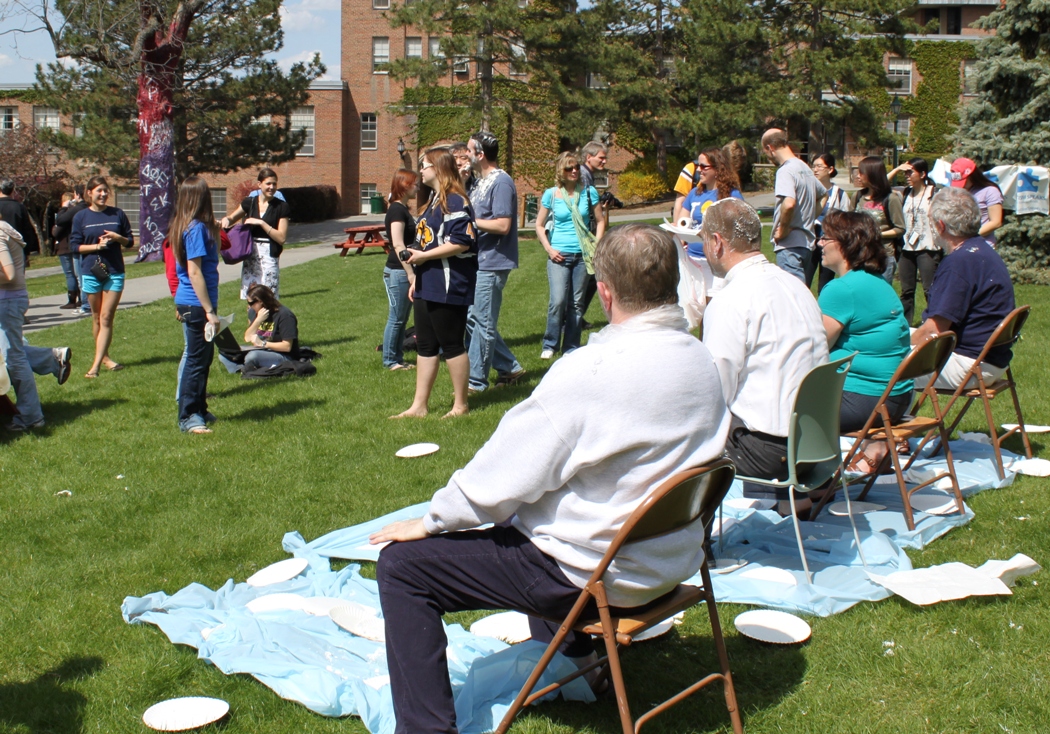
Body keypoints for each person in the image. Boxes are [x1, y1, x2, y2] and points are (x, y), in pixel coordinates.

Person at [369, 223, 730, 734]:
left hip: (597, 576)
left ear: (603, 291)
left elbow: (502, 476)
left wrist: (432, 521)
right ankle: (585, 668)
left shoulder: (592, 370)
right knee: (542, 514)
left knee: (403, 567)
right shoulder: (701, 358)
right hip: (670, 561)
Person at [700, 198, 828, 512]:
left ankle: (693, 549)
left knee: (675, 431)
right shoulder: (797, 285)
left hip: (772, 453)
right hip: (817, 445)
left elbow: (715, 391)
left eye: (702, 240)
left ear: (717, 243)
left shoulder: (732, 300)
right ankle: (793, 506)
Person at [817, 210, 912, 473]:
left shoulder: (841, 289)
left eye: (825, 238)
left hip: (865, 401)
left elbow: (814, 348)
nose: (819, 244)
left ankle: (809, 485)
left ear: (846, 243)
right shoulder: (878, 283)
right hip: (897, 397)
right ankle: (874, 449)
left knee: (782, 410)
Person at [391, 148, 478, 419]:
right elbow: (427, 239)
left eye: (425, 165)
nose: (421, 171)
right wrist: (416, 276)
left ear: (439, 169)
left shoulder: (454, 200)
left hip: (450, 282)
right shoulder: (432, 201)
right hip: (428, 281)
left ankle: (460, 405)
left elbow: (462, 242)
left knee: (451, 343)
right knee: (425, 344)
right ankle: (419, 406)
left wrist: (424, 256)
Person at [912, 188, 1015, 390]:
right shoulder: (984, 250)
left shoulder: (958, 263)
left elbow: (935, 330)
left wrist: (892, 349)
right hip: (990, 359)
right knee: (895, 338)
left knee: (875, 367)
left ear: (941, 226)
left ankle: (886, 419)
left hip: (969, 364)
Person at [464, 131, 525, 392]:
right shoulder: (478, 182)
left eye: (468, 151)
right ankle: (510, 368)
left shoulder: (502, 183)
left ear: (480, 154)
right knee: (471, 317)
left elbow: (503, 224)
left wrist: (468, 223)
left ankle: (476, 382)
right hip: (478, 260)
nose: (465, 155)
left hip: (494, 261)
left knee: (484, 321)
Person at [0, 214, 71, 432]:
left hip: (6, 301)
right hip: (11, 300)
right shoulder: (5, 229)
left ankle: (31, 417)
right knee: (7, 353)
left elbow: (9, 273)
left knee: (13, 358)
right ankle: (50, 359)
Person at [535, 151, 605, 359]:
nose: (574, 171)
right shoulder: (551, 194)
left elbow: (600, 220)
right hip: (558, 254)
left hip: (582, 255)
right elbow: (538, 225)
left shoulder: (589, 192)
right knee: (557, 301)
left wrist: (597, 245)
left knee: (576, 303)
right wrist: (549, 248)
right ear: (561, 171)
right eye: (569, 168)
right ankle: (550, 343)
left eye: (576, 167)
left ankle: (571, 346)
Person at [167, 177, 222, 434]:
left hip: (193, 302)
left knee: (203, 357)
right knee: (197, 360)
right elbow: (195, 272)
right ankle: (189, 416)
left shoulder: (186, 226)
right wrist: (209, 311)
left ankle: (199, 408)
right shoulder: (195, 228)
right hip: (197, 303)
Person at [70, 176, 134, 378]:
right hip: (91, 271)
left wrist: (118, 238)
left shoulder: (117, 214)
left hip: (114, 271)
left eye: (106, 190)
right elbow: (74, 246)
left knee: (106, 316)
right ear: (89, 192)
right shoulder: (81, 217)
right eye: (99, 190)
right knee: (96, 317)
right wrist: (97, 247)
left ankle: (95, 366)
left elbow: (130, 242)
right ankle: (104, 356)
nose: (103, 194)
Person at [761, 129, 827, 283]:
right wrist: (808, 219)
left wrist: (783, 230)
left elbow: (789, 203)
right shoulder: (804, 167)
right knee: (802, 294)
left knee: (793, 298)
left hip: (789, 247)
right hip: (806, 245)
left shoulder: (785, 170)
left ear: (770, 148)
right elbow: (824, 195)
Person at [221, 167, 290, 299]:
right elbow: (232, 218)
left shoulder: (281, 207)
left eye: (274, 184)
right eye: (268, 183)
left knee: (269, 298)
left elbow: (281, 238)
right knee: (251, 298)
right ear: (259, 184)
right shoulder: (250, 202)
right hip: (250, 254)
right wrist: (226, 220)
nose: (272, 187)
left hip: (270, 255)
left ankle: (268, 320)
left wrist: (262, 223)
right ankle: (252, 320)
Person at [888, 157, 941, 325]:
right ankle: (906, 324)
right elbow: (879, 185)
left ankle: (934, 322)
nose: (907, 176)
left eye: (910, 172)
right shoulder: (903, 193)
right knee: (906, 290)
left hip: (928, 247)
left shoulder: (935, 193)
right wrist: (896, 170)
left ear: (923, 174)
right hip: (907, 249)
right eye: (905, 173)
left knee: (929, 289)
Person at [382, 169, 419, 372]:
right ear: (404, 185)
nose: (418, 187)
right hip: (398, 271)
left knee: (403, 318)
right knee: (396, 318)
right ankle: (390, 360)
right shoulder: (396, 210)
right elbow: (398, 244)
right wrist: (410, 273)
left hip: (403, 271)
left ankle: (397, 358)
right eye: (415, 184)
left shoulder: (402, 209)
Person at [218, 283, 301, 374]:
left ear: (260, 301)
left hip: (283, 355)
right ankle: (243, 369)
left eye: (251, 303)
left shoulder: (284, 315)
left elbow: (287, 347)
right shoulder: (253, 312)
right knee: (224, 355)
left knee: (252, 356)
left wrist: (263, 344)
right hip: (261, 350)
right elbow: (247, 337)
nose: (249, 306)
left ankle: (249, 367)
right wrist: (258, 320)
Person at [680, 148, 744, 264]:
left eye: (703, 166)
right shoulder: (694, 193)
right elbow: (682, 223)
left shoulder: (732, 195)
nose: (699, 170)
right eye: (698, 166)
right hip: (692, 258)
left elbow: (741, 227)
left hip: (720, 260)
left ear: (718, 169)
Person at [850, 156, 906, 284]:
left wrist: (877, 234)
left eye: (861, 173)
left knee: (880, 294)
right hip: (859, 254)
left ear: (872, 174)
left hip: (883, 255)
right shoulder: (857, 196)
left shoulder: (891, 198)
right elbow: (849, 222)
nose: (858, 176)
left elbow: (900, 228)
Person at [578, 141, 610, 325]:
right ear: (589, 157)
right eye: (601, 157)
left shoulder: (586, 174)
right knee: (589, 277)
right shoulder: (583, 175)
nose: (604, 161)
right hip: (584, 234)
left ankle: (575, 316)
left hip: (587, 233)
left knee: (590, 277)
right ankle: (573, 317)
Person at [811, 153, 849, 292]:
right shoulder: (809, 190)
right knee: (805, 280)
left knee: (825, 283)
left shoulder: (839, 194)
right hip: (810, 240)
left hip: (830, 241)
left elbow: (846, 219)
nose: (815, 170)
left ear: (830, 169)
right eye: (814, 166)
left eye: (819, 166)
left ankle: (824, 310)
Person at [950, 157, 1004, 248]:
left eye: (963, 181)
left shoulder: (990, 191)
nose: (961, 186)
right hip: (960, 246)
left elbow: (996, 222)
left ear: (972, 176)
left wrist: (969, 238)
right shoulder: (959, 192)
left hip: (982, 246)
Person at [52, 190, 87, 309]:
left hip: (65, 246)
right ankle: (82, 298)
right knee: (79, 273)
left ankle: (72, 299)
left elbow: (57, 231)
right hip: (75, 245)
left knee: (70, 274)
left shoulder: (65, 215)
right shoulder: (78, 212)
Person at [0, 178, 39, 257]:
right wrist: (26, 251)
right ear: (12, 190)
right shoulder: (19, 207)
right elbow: (27, 231)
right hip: (17, 248)